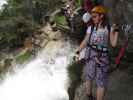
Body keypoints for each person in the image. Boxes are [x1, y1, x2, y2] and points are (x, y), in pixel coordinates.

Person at [75, 5, 119, 100]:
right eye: (92, 17)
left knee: (101, 82)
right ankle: (89, 95)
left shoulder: (108, 28)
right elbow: (86, 40)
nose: (93, 19)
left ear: (101, 16)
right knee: (89, 76)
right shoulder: (91, 28)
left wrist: (116, 32)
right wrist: (78, 51)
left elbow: (113, 43)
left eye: (95, 16)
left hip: (102, 57)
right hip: (91, 54)